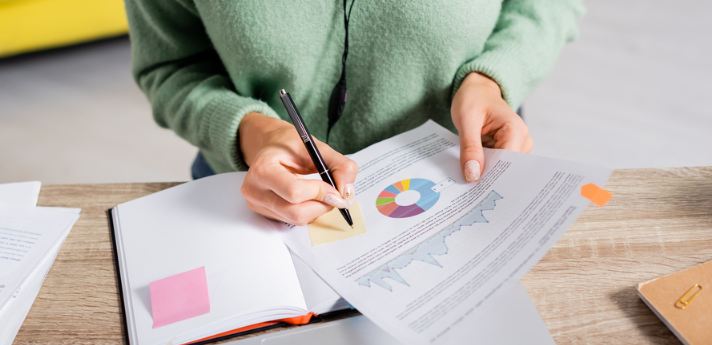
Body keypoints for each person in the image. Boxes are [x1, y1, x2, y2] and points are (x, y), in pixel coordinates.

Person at [125, 1, 583, 225]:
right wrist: (252, 130)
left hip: (458, 185)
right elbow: (171, 66)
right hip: (255, 195)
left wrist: (492, 77)